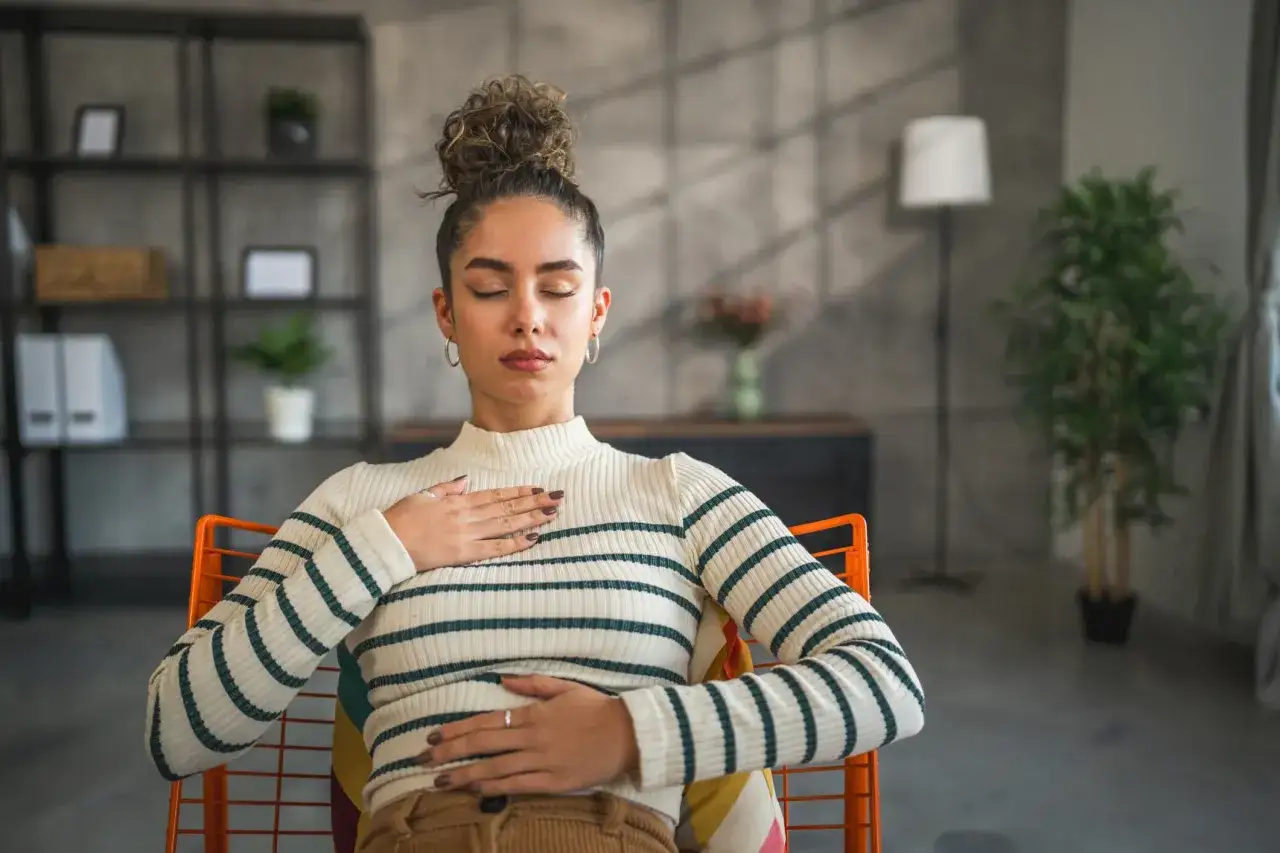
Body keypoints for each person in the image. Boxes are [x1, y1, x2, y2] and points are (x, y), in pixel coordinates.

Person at [145, 74, 926, 853]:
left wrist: (631, 733)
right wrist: (383, 549)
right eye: (489, 288)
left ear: (596, 315)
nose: (527, 317)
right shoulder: (366, 499)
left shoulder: (680, 494)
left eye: (557, 288)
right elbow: (175, 730)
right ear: (446, 312)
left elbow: (886, 682)